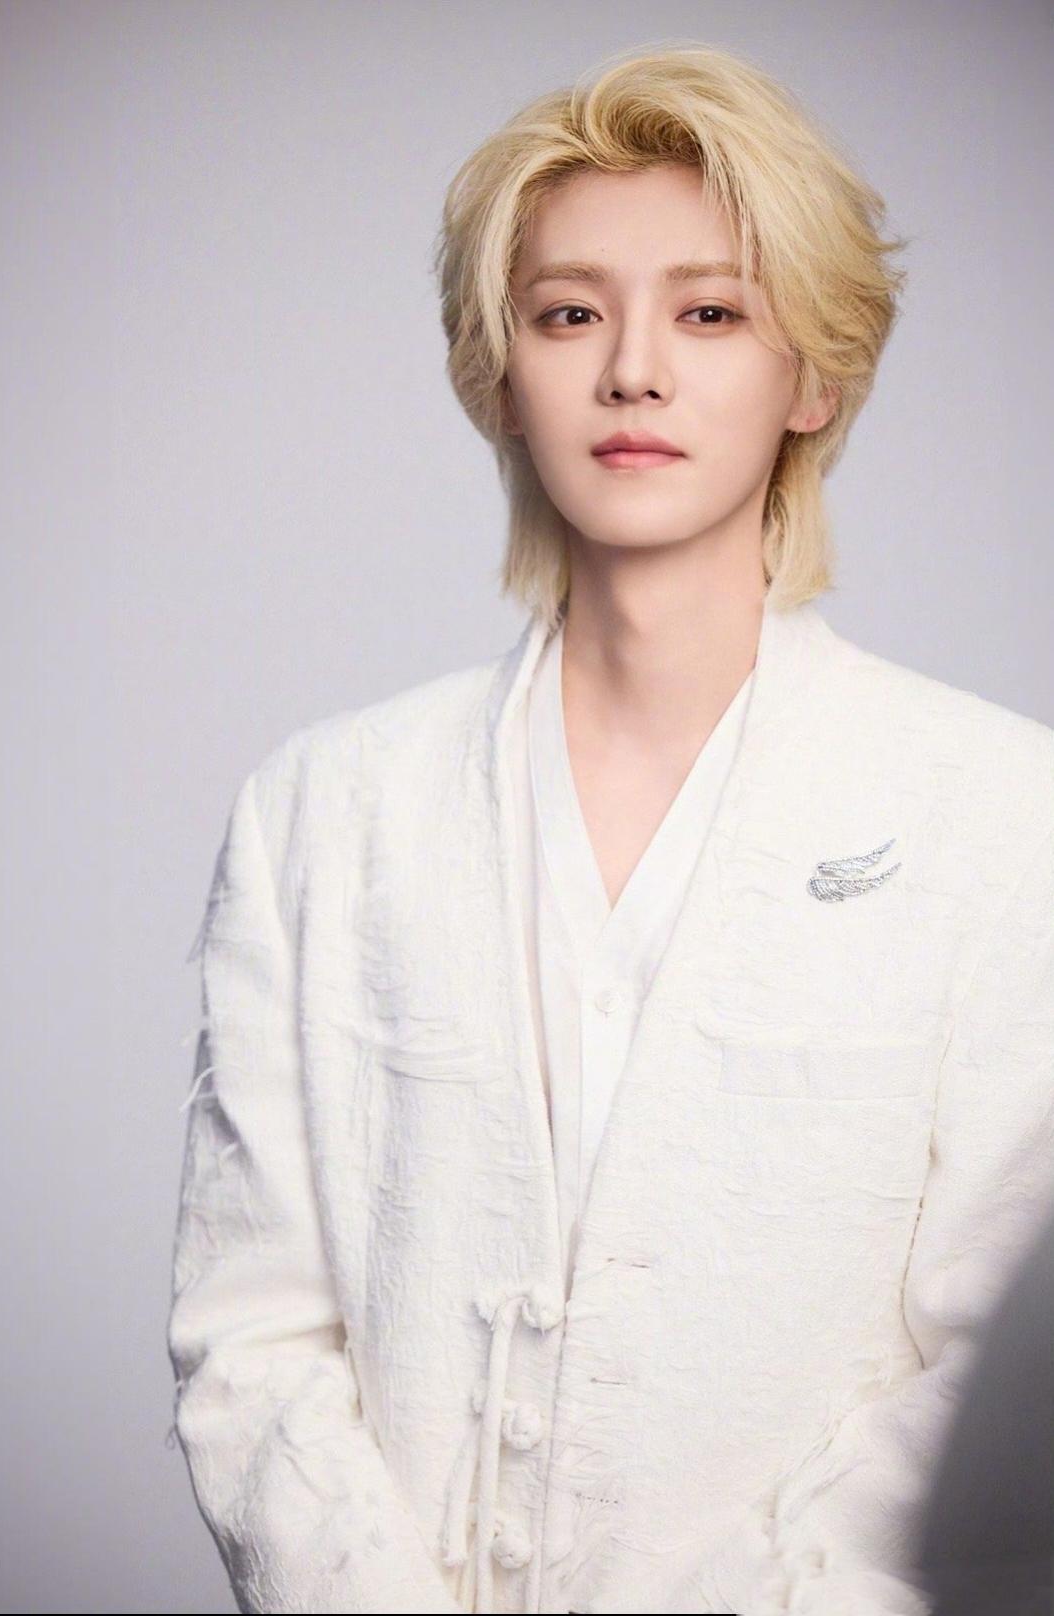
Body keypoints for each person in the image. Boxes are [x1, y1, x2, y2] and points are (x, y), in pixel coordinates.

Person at [166, 42, 1054, 1616]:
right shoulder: (322, 813)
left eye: (711, 314)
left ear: (814, 376)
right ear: (497, 375)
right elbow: (254, 1340)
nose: (633, 371)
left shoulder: (1000, 814)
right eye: (569, 313)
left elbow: (1000, 1364)